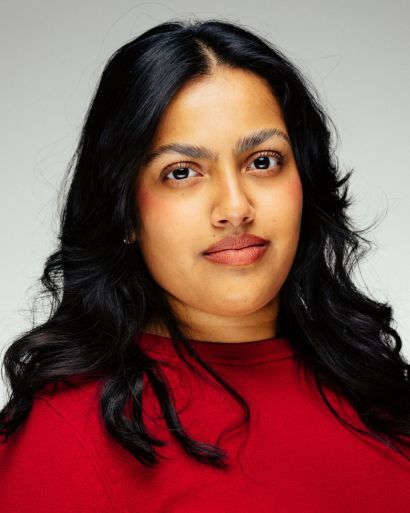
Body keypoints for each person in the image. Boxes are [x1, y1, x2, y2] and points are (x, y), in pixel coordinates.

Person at [1, 17, 409, 513]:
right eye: (182, 172)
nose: (235, 208)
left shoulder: (373, 389)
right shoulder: (62, 440)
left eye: (262, 161)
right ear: (124, 211)